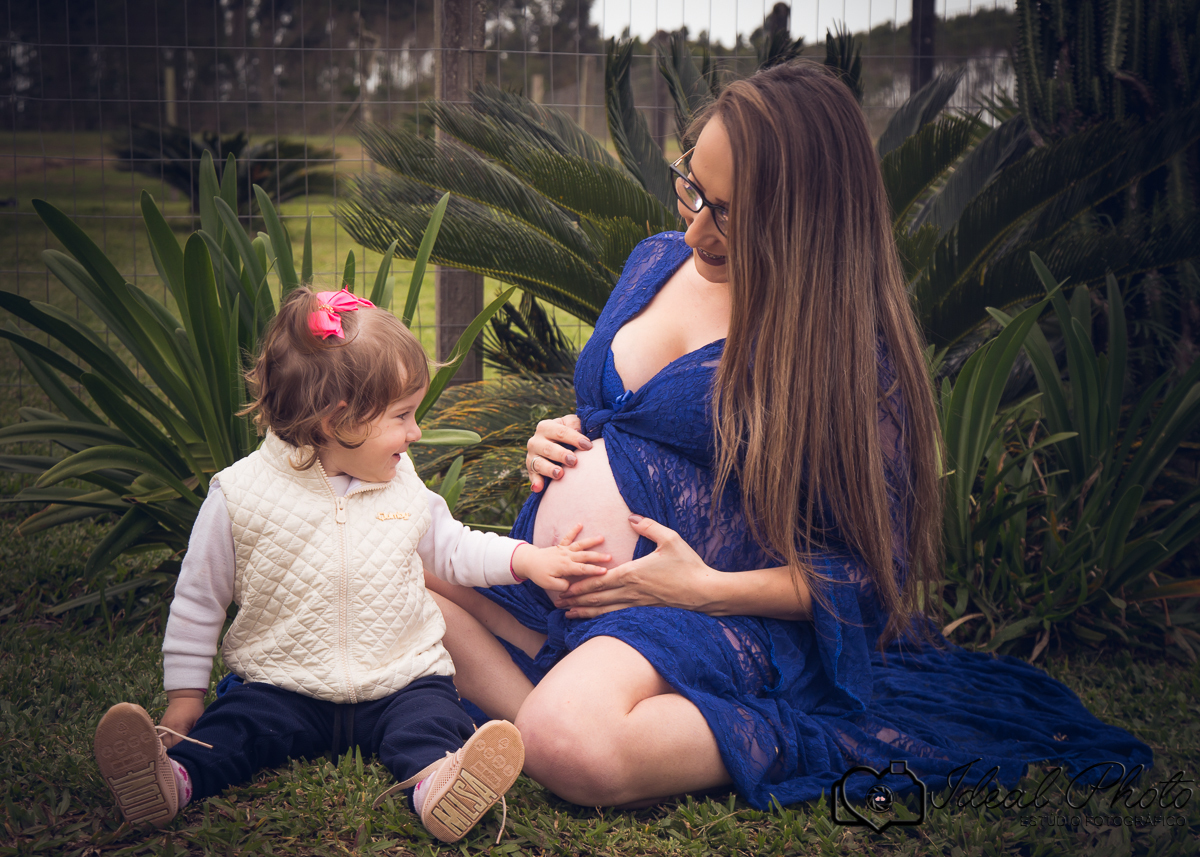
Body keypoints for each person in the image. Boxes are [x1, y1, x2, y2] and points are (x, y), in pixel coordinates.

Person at [425, 61, 1153, 810]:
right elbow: (620, 414)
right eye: (693, 189)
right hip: (562, 582)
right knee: (396, 573)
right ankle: (534, 721)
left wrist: (705, 591)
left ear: (806, 216)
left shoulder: (839, 354)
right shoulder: (654, 261)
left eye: (730, 213)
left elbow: (872, 574)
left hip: (703, 617)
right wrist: (555, 436)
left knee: (576, 742)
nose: (696, 227)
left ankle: (608, 726)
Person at [92, 287, 611, 842]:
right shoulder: (239, 496)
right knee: (237, 731)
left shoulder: (402, 483)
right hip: (282, 684)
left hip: (401, 679)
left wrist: (528, 559)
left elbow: (454, 549)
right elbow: (198, 601)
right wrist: (184, 699)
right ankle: (172, 781)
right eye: (403, 416)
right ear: (336, 420)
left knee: (433, 723)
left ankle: (441, 787)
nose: (415, 433)